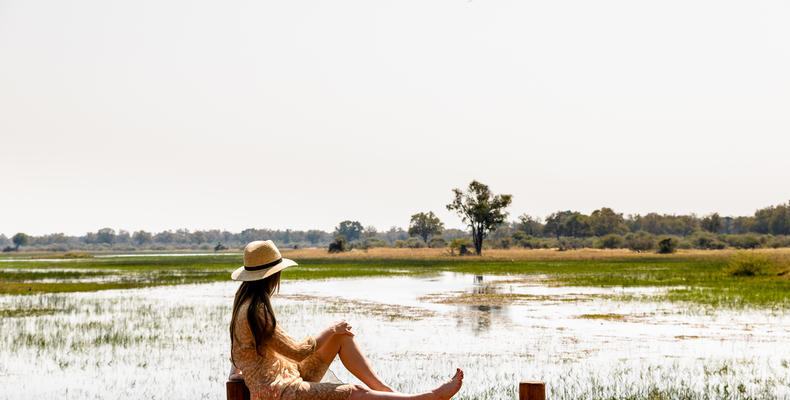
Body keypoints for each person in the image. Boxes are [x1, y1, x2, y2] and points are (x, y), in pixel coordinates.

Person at [228, 240, 464, 400]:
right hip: (279, 392)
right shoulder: (256, 312)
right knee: (353, 391)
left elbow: (242, 353)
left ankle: (385, 391)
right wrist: (330, 328)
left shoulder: (247, 305)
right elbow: (299, 352)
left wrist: (334, 332)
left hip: (287, 376)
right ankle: (426, 398)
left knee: (341, 336)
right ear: (272, 275)